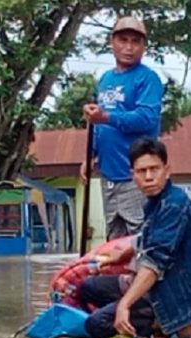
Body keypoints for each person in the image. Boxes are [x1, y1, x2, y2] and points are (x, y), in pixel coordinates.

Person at [81, 138, 191, 338]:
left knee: (96, 324)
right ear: (133, 175)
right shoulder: (156, 202)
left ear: (167, 170)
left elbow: (154, 263)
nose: (149, 177)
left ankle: (162, 324)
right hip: (163, 284)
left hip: (177, 291)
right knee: (88, 287)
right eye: (142, 171)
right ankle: (147, 317)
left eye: (155, 169)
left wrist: (124, 305)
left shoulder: (174, 204)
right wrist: (127, 251)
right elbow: (152, 238)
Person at [80, 16, 164, 240]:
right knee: (114, 241)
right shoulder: (106, 79)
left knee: (141, 238)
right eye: (123, 40)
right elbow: (99, 126)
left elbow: (146, 118)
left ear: (144, 47)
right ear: (112, 43)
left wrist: (106, 116)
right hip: (109, 177)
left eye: (135, 42)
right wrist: (91, 155)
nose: (129, 47)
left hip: (134, 176)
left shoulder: (148, 79)